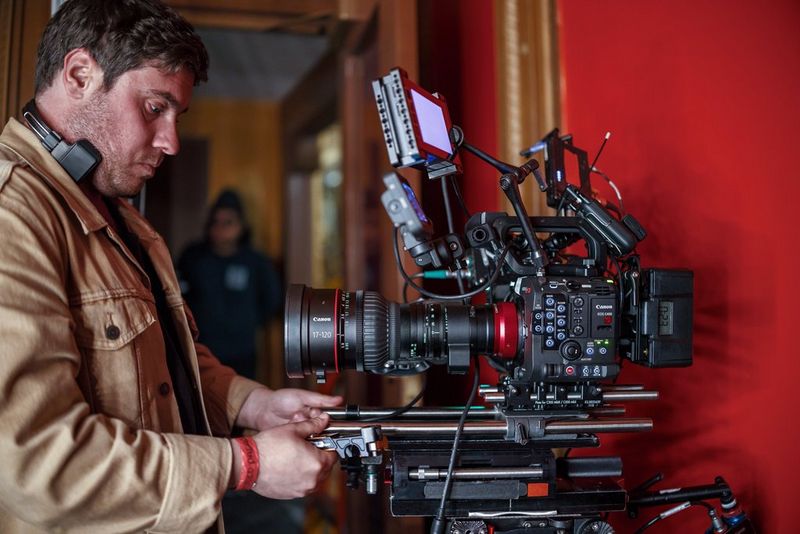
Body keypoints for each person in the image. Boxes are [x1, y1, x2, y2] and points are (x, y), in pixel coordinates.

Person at [0, 1, 340, 532]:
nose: (171, 141)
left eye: (176, 117)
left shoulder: (121, 216)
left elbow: (163, 361)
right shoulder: (12, 212)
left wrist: (254, 405)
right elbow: (39, 461)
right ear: (80, 75)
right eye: (154, 107)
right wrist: (246, 463)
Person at [178, 189, 282, 381]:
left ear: (241, 226)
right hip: (201, 351)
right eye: (215, 222)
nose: (220, 228)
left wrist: (247, 322)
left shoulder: (255, 262)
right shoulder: (193, 257)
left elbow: (272, 300)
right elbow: (176, 296)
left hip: (242, 353)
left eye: (228, 222)